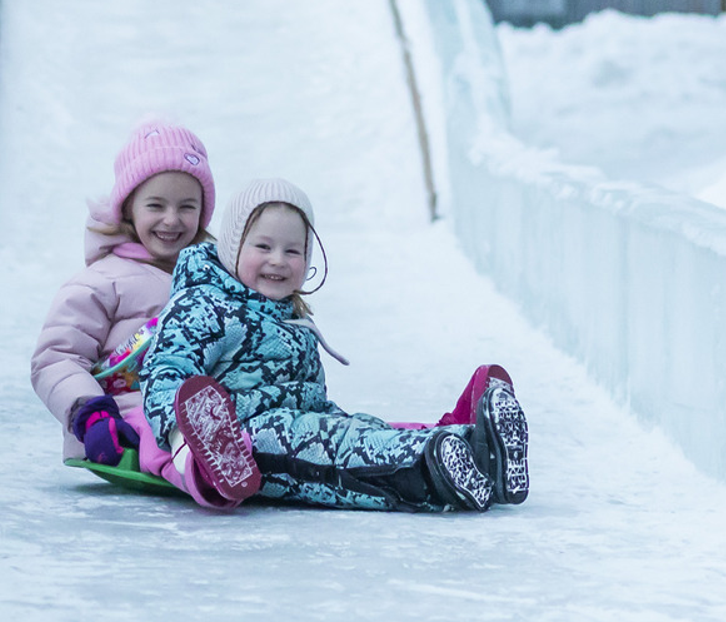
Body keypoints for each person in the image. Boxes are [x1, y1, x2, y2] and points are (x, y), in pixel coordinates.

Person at [136, 179, 530, 512]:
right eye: (263, 247)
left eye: (293, 251)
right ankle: (430, 471)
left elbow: (312, 402)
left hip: (296, 426)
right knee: (331, 449)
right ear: (233, 248)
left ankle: (474, 447)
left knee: (353, 432)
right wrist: (182, 439)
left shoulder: (295, 322)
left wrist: (343, 422)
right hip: (242, 442)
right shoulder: (203, 304)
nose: (278, 260)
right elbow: (165, 372)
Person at [31, 120, 216, 465]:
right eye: (156, 205)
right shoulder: (100, 282)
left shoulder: (215, 281)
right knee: (161, 430)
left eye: (187, 207)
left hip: (202, 413)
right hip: (121, 428)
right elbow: (56, 358)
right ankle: (195, 466)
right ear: (129, 206)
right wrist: (91, 413)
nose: (171, 220)